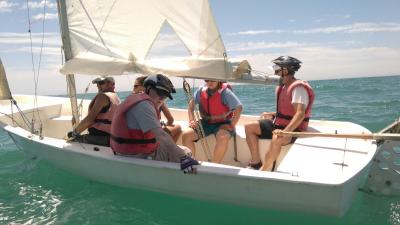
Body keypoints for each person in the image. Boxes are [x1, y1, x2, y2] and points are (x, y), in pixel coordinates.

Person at [110, 74, 198, 172]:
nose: (161, 98)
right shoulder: (143, 105)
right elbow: (161, 135)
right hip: (137, 155)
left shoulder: (134, 99)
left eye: (165, 95)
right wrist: (184, 158)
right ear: (147, 89)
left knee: (176, 150)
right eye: (159, 92)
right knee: (186, 152)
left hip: (123, 151)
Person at [244, 56, 314, 171]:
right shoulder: (283, 86)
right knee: (249, 127)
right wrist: (272, 114)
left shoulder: (298, 88)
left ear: (285, 70)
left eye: (277, 69)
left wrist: (286, 132)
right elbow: (287, 111)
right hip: (278, 124)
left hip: (294, 129)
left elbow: (300, 114)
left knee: (277, 138)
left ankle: (264, 169)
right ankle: (256, 162)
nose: (274, 72)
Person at [182, 79, 243, 163]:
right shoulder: (201, 90)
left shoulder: (225, 92)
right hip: (205, 122)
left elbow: (239, 107)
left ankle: (214, 166)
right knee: (186, 134)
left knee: (223, 137)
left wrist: (232, 124)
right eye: (207, 80)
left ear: (219, 80)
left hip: (223, 123)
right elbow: (191, 106)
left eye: (213, 80)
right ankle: (191, 162)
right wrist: (191, 120)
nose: (210, 83)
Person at [67, 76, 121, 146]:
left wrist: (74, 133)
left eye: (101, 83)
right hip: (112, 138)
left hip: (101, 138)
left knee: (69, 140)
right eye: (97, 83)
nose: (98, 86)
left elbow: (89, 120)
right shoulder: (116, 97)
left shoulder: (102, 97)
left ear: (111, 84)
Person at [132, 75, 182, 142]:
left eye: (136, 86)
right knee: (178, 127)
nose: (133, 89)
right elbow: (170, 120)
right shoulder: (159, 101)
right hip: (150, 137)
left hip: (136, 139)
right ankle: (169, 148)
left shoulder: (131, 101)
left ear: (144, 87)